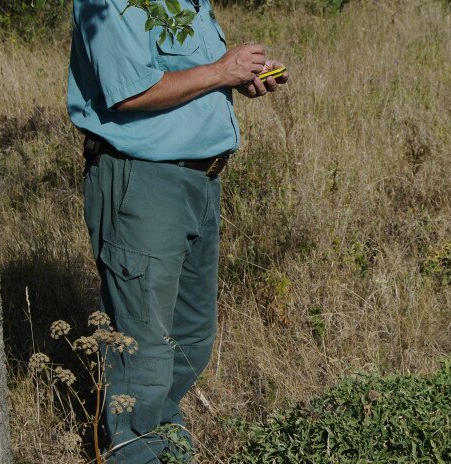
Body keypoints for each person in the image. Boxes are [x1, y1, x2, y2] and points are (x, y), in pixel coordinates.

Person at [67, 0, 288, 461]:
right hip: (145, 184)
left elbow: (190, 74)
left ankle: (163, 445)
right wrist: (221, 71)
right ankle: (140, 449)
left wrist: (241, 78)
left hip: (202, 181)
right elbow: (128, 93)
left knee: (190, 339)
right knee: (142, 353)